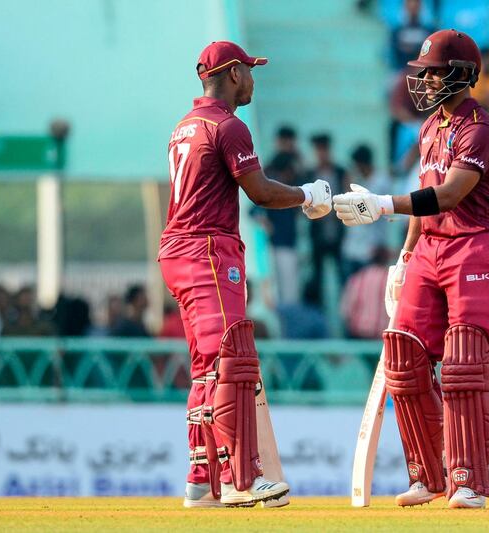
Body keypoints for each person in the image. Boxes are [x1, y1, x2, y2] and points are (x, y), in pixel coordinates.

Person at [333, 30, 489, 509]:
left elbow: (450, 194)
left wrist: (382, 205)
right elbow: (426, 202)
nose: (426, 79)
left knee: (465, 362)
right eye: (424, 70)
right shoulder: (430, 127)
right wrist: (404, 258)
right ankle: (427, 475)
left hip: (473, 246)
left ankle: (467, 479)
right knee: (404, 357)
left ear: (465, 74)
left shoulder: (479, 129)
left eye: (436, 70)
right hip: (428, 246)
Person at [158, 41, 332, 509]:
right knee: (231, 363)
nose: (253, 79)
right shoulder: (227, 125)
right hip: (208, 250)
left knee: (206, 368)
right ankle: (242, 478)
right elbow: (260, 193)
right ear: (233, 74)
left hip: (179, 251)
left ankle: (201, 479)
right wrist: (308, 195)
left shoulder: (184, 126)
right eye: (250, 71)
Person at [253, 153, 301, 305]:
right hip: (277, 245)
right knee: (284, 292)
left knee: (288, 291)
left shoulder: (288, 188)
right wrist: (266, 223)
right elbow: (253, 211)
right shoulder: (276, 191)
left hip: (286, 243)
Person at [305, 133, 347, 305]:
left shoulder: (340, 172)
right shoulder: (310, 173)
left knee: (342, 275)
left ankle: (346, 309)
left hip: (338, 231)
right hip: (318, 232)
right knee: (318, 276)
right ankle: (319, 310)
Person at [341, 145, 389, 277]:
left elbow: (367, 211)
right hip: (352, 248)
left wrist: (349, 193)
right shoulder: (358, 180)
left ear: (362, 164)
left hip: (372, 248)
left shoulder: (381, 182)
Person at [340, 247, 391, 338]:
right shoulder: (391, 279)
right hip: (382, 338)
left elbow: (346, 311)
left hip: (358, 336)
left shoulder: (357, 278)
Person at [390, 0, 435, 68]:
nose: (413, 6)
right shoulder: (396, 31)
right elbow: (393, 56)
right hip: (401, 71)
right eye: (409, 3)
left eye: (416, 3)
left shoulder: (430, 31)